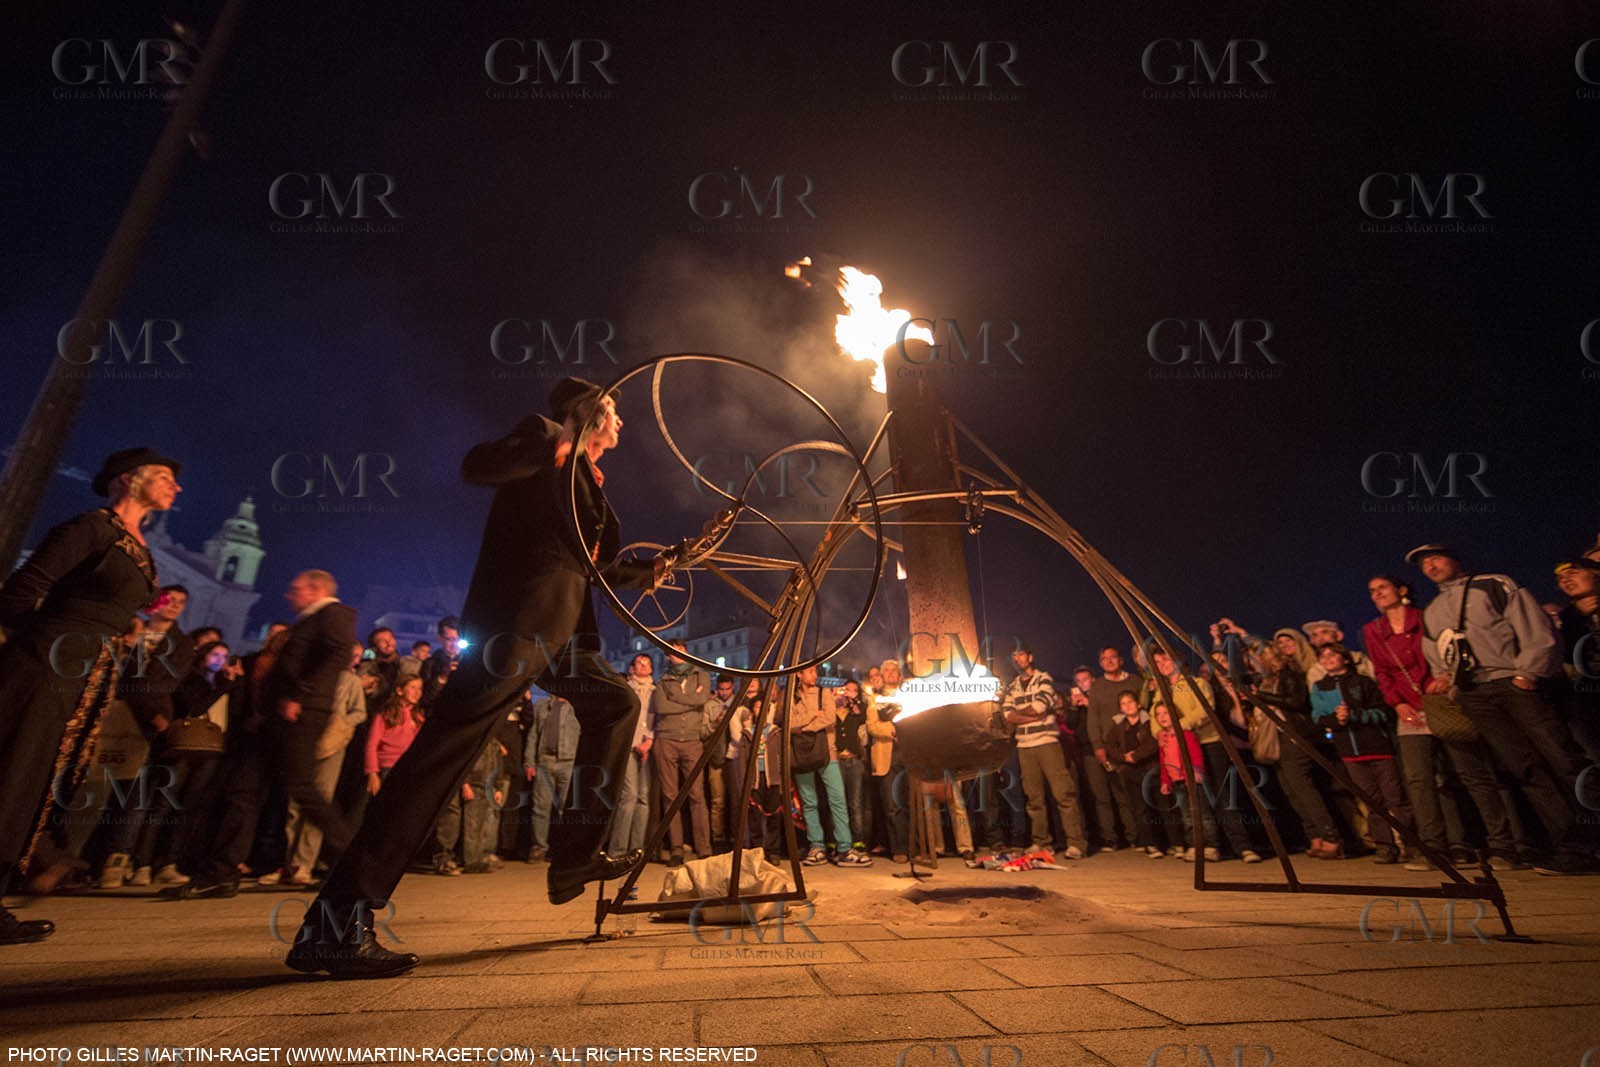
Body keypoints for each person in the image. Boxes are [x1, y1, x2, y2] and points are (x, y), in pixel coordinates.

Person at [289, 379, 666, 977]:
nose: (622, 427)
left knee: (616, 705)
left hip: (560, 634)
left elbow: (586, 569)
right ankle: (336, 924)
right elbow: (478, 466)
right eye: (615, 414)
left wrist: (651, 570)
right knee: (441, 758)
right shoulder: (546, 437)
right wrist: (554, 447)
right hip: (514, 631)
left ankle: (573, 858)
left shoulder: (592, 484)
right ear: (590, 414)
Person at [0, 447, 179, 944]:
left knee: (39, 777)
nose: (176, 487)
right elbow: (18, 595)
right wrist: (59, 638)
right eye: (164, 476)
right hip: (44, 667)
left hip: (87, 675)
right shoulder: (91, 529)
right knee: (15, 769)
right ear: (128, 480)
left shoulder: (138, 546)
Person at [1410, 543, 1597, 875]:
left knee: (1562, 757)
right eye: (1424, 564)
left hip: (1514, 682)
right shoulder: (1434, 609)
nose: (1431, 566)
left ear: (1455, 558)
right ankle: (1572, 846)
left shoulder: (1494, 584)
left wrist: (1528, 672)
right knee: (1525, 769)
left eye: (1436, 558)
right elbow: (1435, 654)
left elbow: (1534, 627)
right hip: (1475, 692)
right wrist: (1453, 686)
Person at [263, 641, 367, 886]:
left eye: (358, 656)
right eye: (351, 654)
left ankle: (304, 863)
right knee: (294, 805)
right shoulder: (315, 674)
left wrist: (340, 722)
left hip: (332, 745)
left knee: (319, 800)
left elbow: (359, 712)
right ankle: (286, 862)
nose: (354, 659)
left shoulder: (352, 681)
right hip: (305, 739)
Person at [1151, 649, 1263, 862]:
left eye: (1166, 657)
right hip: (1181, 749)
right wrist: (1160, 733)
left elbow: (1204, 710)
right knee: (1194, 800)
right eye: (1157, 662)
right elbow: (1155, 717)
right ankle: (1204, 844)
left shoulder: (1197, 683)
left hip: (1208, 743)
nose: (1163, 663)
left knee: (1221, 795)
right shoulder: (1162, 691)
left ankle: (1242, 846)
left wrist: (1179, 727)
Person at [1309, 644, 1413, 864]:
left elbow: (1383, 712)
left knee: (1395, 797)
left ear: (1345, 658)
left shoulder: (1362, 682)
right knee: (1371, 800)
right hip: (1349, 751)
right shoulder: (1320, 687)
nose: (1327, 658)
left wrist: (1355, 715)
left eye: (1333, 654)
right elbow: (1318, 718)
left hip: (1377, 747)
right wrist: (1337, 720)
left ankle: (1412, 843)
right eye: (1323, 655)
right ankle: (1385, 846)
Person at [1000, 645, 1087, 860]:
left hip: (1047, 742)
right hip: (1024, 746)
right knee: (1034, 797)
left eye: (1021, 654)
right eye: (1014, 656)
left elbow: (1040, 706)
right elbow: (1007, 715)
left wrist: (1023, 714)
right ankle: (1041, 842)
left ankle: (1076, 842)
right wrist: (1030, 716)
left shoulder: (1044, 679)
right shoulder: (1012, 687)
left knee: (1063, 793)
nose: (1018, 659)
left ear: (1030, 656)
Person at [790, 666, 871, 866]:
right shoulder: (789, 697)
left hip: (827, 751)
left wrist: (802, 727)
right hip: (801, 754)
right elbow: (789, 723)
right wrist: (812, 716)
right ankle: (816, 846)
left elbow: (828, 717)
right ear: (798, 674)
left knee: (838, 800)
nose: (814, 675)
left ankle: (844, 848)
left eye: (815, 671)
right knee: (809, 802)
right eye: (809, 671)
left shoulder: (823, 692)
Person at [650, 641, 713, 862]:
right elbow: (661, 708)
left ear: (686, 652)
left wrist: (677, 699)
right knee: (670, 797)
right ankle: (676, 848)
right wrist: (691, 702)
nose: (676, 655)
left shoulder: (701, 676)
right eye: (672, 652)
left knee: (697, 796)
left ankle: (703, 848)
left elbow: (702, 699)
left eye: (680, 651)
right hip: (666, 739)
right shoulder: (663, 681)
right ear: (669, 657)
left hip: (693, 741)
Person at [1084, 646, 1139, 852]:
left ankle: (1135, 837)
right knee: (1103, 796)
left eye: (1112, 657)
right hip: (1107, 746)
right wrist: (1098, 745)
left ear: (1120, 660)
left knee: (1128, 794)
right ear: (1100, 663)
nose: (1109, 661)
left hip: (1132, 745)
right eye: (1104, 658)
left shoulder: (1134, 681)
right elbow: (1093, 718)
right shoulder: (1097, 686)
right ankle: (1110, 838)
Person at [1153, 703, 1219, 862]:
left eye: (1166, 713)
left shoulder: (1186, 734)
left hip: (1192, 780)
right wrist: (1165, 781)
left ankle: (1211, 846)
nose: (1162, 717)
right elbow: (1164, 762)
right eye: (1159, 714)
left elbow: (1195, 754)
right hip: (1177, 782)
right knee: (1187, 816)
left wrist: (1197, 770)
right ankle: (1194, 845)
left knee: (1202, 814)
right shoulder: (1163, 738)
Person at [1102, 691, 1163, 857]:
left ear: (1138, 704)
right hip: (1130, 771)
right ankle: (1148, 843)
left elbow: (1153, 743)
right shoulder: (1119, 726)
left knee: (1157, 805)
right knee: (1139, 807)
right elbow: (1109, 746)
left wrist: (1136, 755)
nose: (1127, 706)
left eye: (1130, 702)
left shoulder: (1149, 723)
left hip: (1150, 768)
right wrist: (1123, 758)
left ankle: (1166, 842)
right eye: (1123, 703)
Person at [608, 653, 655, 858]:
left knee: (644, 798)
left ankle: (637, 848)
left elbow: (659, 719)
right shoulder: (625, 690)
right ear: (632, 668)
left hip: (650, 748)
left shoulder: (657, 691)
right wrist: (636, 743)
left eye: (647, 663)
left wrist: (649, 741)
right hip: (629, 747)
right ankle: (617, 849)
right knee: (629, 796)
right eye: (639, 663)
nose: (643, 666)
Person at [524, 693, 579, 863]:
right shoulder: (542, 706)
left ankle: (563, 849)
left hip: (568, 762)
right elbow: (533, 735)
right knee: (540, 808)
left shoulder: (576, 707)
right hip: (545, 761)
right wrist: (529, 762)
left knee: (566, 808)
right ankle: (539, 848)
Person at [866, 659, 910, 862]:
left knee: (912, 803)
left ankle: (916, 846)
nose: (891, 673)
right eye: (887, 671)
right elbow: (872, 726)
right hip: (887, 756)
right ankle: (899, 849)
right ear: (882, 676)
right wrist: (893, 729)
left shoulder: (909, 695)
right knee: (892, 806)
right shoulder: (875, 699)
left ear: (900, 675)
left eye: (895, 670)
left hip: (910, 754)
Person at [832, 678, 871, 856]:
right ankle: (836, 838)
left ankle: (858, 839)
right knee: (837, 802)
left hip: (854, 760)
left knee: (855, 802)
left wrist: (854, 701)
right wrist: (833, 699)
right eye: (845, 690)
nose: (848, 694)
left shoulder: (857, 711)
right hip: (837, 760)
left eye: (853, 691)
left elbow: (863, 715)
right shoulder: (833, 711)